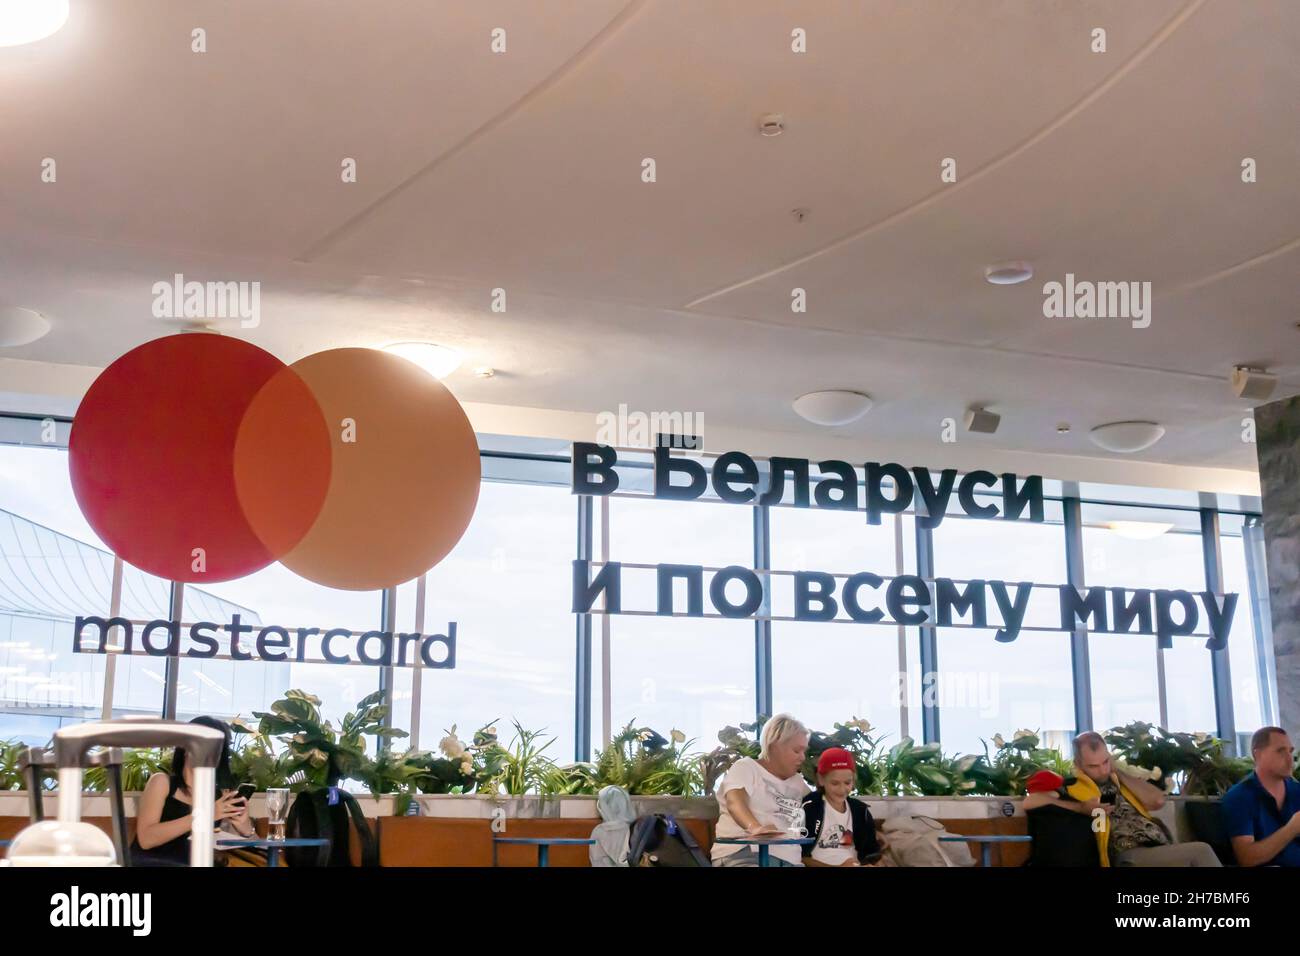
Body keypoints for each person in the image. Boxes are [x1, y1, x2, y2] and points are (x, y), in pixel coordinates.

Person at [1024, 731, 1219, 867]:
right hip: (1126, 855)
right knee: (1201, 851)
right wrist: (1081, 808)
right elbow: (1030, 802)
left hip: (1157, 848)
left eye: (1105, 761)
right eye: (1094, 766)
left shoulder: (1120, 781)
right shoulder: (1072, 786)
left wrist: (1119, 773)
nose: (1102, 770)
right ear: (1078, 764)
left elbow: (1157, 801)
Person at [130, 715, 255, 866]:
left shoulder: (218, 796)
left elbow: (259, 849)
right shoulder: (162, 782)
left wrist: (246, 828)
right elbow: (146, 839)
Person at [711, 713, 810, 867]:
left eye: (804, 751)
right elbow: (735, 802)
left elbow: (822, 806)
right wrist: (755, 828)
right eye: (797, 751)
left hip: (790, 861)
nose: (803, 757)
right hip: (745, 854)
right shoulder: (747, 767)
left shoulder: (798, 782)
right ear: (774, 746)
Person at [1222, 726, 1300, 866]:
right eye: (1280, 751)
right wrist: (1292, 829)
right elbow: (1247, 858)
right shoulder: (1239, 797)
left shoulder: (1297, 791)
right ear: (1257, 755)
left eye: (1290, 751)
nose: (1290, 760)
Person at [802, 747, 882, 866]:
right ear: (821, 779)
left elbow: (871, 855)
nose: (842, 789)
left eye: (847, 783)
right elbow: (799, 856)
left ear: (853, 781)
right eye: (835, 783)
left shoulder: (861, 811)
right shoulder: (809, 807)